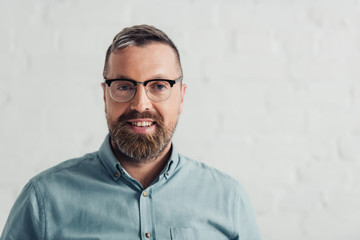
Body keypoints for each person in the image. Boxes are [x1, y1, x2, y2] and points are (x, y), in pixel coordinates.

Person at [1, 25, 261, 240]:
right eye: (124, 87)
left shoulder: (229, 200)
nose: (140, 104)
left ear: (181, 97)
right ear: (105, 95)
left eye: (159, 86)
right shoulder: (43, 200)